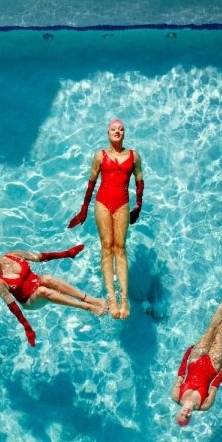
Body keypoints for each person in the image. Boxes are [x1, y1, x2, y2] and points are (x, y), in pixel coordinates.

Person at [67, 118, 144, 320]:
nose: (117, 131)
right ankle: (111, 298)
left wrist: (138, 206)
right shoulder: (100, 156)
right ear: (108, 133)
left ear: (124, 133)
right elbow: (91, 184)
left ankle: (124, 300)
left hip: (122, 205)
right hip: (102, 204)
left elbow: (139, 182)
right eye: (113, 129)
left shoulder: (134, 156)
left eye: (121, 129)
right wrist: (83, 210)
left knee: (120, 247)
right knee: (107, 247)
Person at [0, 243, 105, 345]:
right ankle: (87, 307)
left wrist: (67, 253)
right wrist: (27, 327)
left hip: (39, 283)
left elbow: (41, 257)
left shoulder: (13, 255)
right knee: (42, 291)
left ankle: (89, 299)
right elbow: (12, 305)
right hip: (30, 300)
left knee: (47, 278)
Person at [172, 280, 222, 427]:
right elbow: (215, 385)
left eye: (182, 414)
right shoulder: (205, 405)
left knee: (212, 328)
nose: (186, 413)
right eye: (187, 417)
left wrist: (187, 355)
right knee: (221, 333)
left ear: (178, 412)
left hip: (195, 360)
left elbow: (181, 374)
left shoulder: (176, 396)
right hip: (213, 366)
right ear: (191, 418)